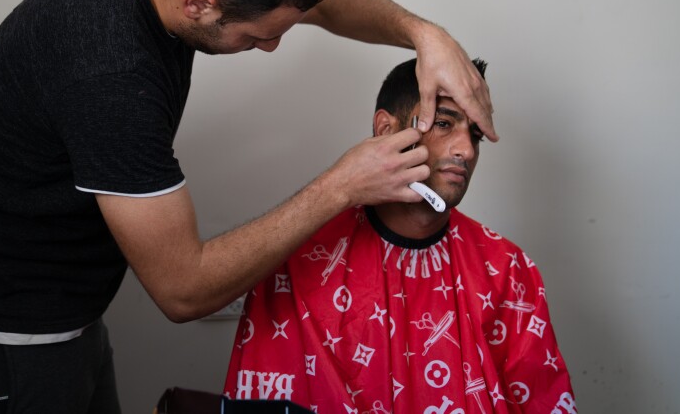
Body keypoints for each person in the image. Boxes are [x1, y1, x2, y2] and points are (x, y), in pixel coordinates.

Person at [0, 0, 497, 413]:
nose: (271, 48)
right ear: (199, 5)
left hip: (66, 311)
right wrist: (343, 185)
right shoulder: (108, 70)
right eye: (259, 37)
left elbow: (325, 3)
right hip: (4, 336)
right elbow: (182, 289)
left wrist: (426, 36)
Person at [223, 58, 575, 413]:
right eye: (443, 124)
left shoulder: (508, 270)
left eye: (475, 134)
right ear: (386, 129)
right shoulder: (298, 262)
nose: (466, 150)